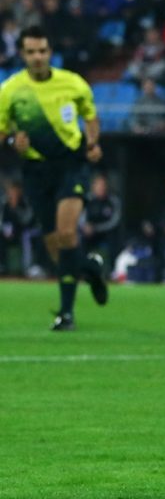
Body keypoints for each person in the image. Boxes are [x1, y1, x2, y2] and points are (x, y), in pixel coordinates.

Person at [0, 26, 108, 330]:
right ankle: (90, 268)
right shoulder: (10, 90)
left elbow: (90, 115)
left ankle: (66, 313)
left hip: (71, 165)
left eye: (42, 51)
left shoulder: (72, 83)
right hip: (36, 172)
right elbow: (3, 131)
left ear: (50, 52)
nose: (37, 57)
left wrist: (93, 143)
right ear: (22, 54)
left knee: (66, 234)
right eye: (31, 52)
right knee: (56, 251)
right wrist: (11, 142)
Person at [80, 174, 122, 271]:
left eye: (103, 185)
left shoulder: (113, 201)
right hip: (89, 234)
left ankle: (113, 271)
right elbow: (81, 217)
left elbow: (114, 221)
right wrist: (85, 226)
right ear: (93, 187)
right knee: (79, 240)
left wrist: (96, 228)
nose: (101, 188)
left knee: (114, 241)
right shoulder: (88, 200)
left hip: (106, 233)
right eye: (99, 185)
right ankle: (81, 270)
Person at [0, 179, 40, 275]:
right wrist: (6, 230)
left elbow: (27, 220)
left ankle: (27, 267)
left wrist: (15, 209)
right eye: (11, 191)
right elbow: (4, 221)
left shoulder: (25, 202)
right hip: (10, 232)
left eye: (14, 191)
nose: (12, 193)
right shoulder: (5, 204)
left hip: (27, 230)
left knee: (26, 236)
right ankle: (2, 265)